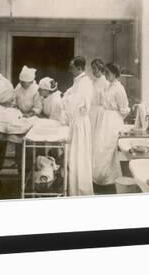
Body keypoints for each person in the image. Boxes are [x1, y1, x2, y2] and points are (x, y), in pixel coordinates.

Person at [92, 63, 130, 188]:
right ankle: (101, 178)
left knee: (108, 150)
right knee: (100, 149)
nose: (106, 75)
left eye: (108, 73)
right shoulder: (109, 86)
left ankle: (111, 179)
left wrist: (115, 120)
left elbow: (124, 110)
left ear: (115, 74)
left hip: (113, 122)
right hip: (105, 120)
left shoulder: (119, 88)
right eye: (105, 72)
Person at [62, 56, 94, 196]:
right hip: (76, 122)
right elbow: (69, 94)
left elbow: (74, 102)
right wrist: (67, 97)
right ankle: (74, 189)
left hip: (80, 123)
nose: (70, 70)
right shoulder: (78, 82)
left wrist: (66, 99)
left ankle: (81, 191)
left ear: (79, 68)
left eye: (72, 67)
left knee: (79, 157)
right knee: (74, 158)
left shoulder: (85, 83)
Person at [89, 59, 109, 136]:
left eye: (94, 68)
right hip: (91, 111)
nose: (93, 71)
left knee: (98, 134)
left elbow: (107, 100)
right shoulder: (93, 81)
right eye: (92, 68)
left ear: (100, 68)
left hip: (100, 113)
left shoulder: (106, 82)